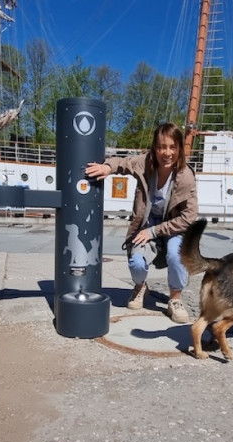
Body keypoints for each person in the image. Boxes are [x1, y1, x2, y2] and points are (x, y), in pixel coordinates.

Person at [85, 123, 199, 323]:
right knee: (136, 262)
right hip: (148, 221)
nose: (167, 153)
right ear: (154, 148)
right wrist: (107, 167)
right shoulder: (145, 163)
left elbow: (189, 217)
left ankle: (175, 299)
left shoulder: (186, 176)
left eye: (172, 147)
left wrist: (154, 232)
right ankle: (140, 287)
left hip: (174, 226)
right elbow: (124, 162)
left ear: (180, 148)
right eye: (161, 147)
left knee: (176, 255)